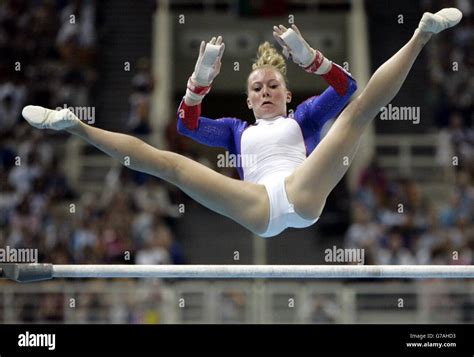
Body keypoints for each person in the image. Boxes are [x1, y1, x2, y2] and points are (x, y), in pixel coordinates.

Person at [21, 8, 463, 238]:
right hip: (255, 204)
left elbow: (346, 89)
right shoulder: (237, 129)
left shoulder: (304, 117)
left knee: (360, 110)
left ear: (288, 95)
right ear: (248, 99)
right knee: (169, 165)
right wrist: (198, 80)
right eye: (256, 88)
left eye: (272, 86)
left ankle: (421, 34)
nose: (265, 92)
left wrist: (309, 58)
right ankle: (74, 126)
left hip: (302, 190)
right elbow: (188, 127)